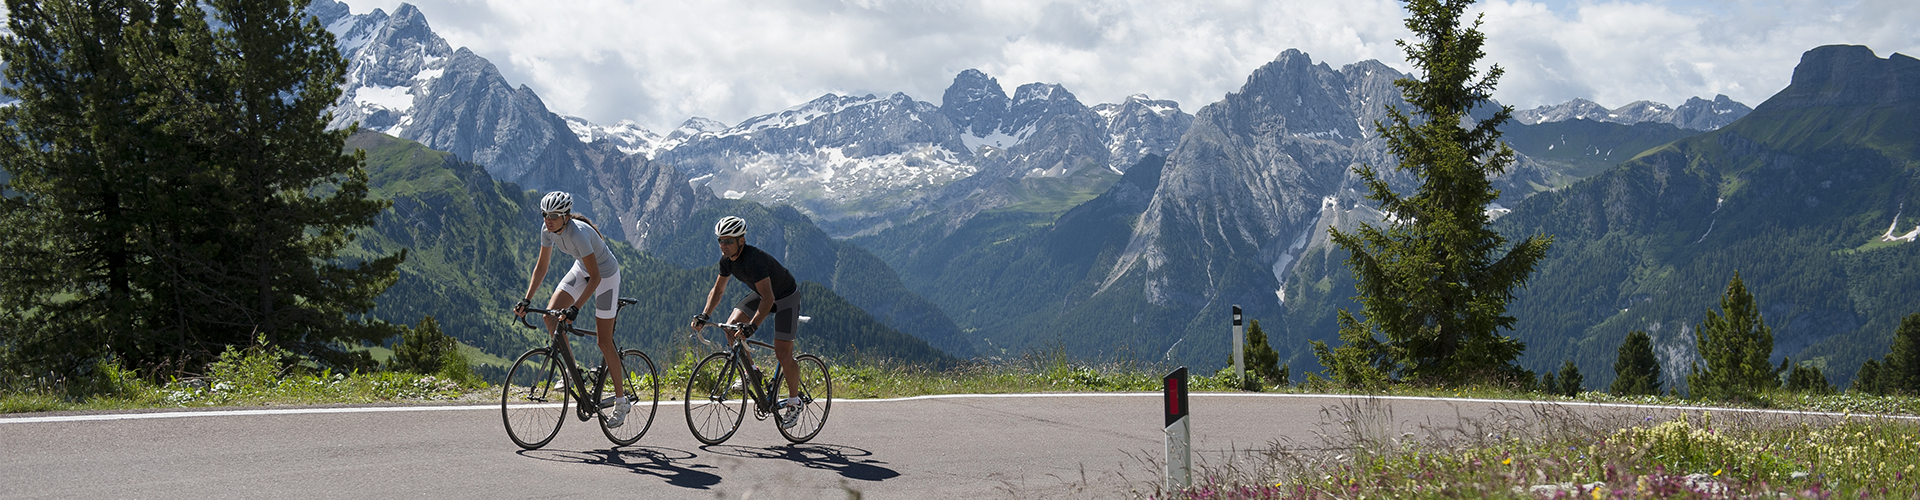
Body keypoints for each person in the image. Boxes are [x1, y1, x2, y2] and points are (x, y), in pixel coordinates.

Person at [513, 191, 630, 427]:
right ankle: (572, 372)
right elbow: (542, 266)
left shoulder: (578, 234)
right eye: (545, 214)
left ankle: (621, 401)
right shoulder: (547, 231)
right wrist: (526, 299)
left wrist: (576, 308)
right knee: (550, 317)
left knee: (604, 342)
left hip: (605, 275)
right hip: (581, 270)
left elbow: (596, 277)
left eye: (554, 215)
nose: (548, 219)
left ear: (565, 216)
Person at [689, 215, 806, 429]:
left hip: (785, 297)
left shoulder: (754, 260)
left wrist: (752, 326)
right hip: (763, 294)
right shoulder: (726, 260)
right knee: (730, 326)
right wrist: (705, 315)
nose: (723, 245)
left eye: (728, 241)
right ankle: (752, 373)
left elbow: (770, 299)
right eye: (720, 241)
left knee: (782, 353)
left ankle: (794, 401)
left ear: (741, 241)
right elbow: (718, 290)